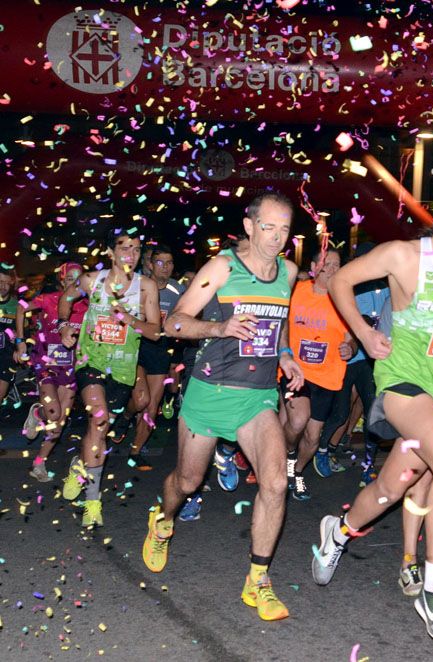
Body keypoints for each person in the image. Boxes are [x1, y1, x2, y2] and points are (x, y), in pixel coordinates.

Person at [311, 172, 433, 646]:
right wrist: (362, 332)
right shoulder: (405, 255)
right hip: (401, 384)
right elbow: (341, 280)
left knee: (391, 487)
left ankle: (337, 532)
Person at [141, 192, 303, 622]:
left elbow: (280, 322)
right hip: (210, 392)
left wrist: (285, 355)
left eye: (284, 229)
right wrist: (220, 326)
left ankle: (258, 580)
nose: (276, 237)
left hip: (257, 395)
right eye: (268, 227)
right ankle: (163, 522)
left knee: (275, 484)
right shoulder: (222, 267)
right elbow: (173, 322)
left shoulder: (288, 270)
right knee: (189, 482)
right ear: (249, 226)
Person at [60, 230, 160, 528]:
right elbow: (66, 299)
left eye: (137, 248)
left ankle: (79, 466)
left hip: (124, 369)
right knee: (99, 422)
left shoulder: (146, 287)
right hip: (91, 361)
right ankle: (93, 501)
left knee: (100, 430)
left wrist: (131, 320)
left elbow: (155, 331)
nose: (131, 253)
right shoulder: (92, 281)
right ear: (110, 252)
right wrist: (65, 325)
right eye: (125, 247)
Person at [279, 248, 353, 501]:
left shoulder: (344, 300)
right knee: (298, 421)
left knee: (312, 436)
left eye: (337, 265)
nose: (332, 269)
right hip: (296, 370)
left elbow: (351, 338)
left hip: (328, 376)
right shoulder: (296, 291)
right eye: (327, 264)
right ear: (313, 266)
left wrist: (349, 348)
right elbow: (282, 322)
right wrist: (285, 351)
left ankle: (297, 472)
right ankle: (288, 455)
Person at [313, 242, 390, 484]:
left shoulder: (390, 287)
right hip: (347, 358)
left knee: (373, 413)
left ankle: (368, 465)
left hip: (373, 361)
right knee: (340, 414)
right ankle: (322, 450)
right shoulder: (349, 286)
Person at [17, 263, 87, 482]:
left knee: (57, 427)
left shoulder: (88, 305)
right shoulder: (49, 299)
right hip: (46, 363)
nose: (73, 285)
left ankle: (39, 463)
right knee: (53, 414)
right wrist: (20, 342)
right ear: (61, 282)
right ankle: (38, 413)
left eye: (78, 281)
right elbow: (21, 307)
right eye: (68, 281)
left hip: (71, 369)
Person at [128, 244, 186, 469]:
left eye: (169, 263)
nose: (165, 268)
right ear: (150, 265)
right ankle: (125, 418)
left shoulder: (178, 290)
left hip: (162, 349)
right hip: (137, 346)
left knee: (152, 407)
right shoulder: (137, 285)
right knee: (140, 400)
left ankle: (135, 450)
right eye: (160, 263)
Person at [0, 268, 18, 407]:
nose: (3, 286)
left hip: (6, 358)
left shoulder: (17, 307)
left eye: (7, 283)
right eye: (0, 282)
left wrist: (19, 343)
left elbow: (24, 334)